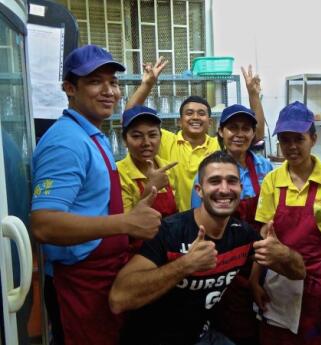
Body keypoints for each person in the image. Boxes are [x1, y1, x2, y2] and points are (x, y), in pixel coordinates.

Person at [31, 44, 162, 345]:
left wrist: (146, 196)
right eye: (94, 81)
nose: (109, 91)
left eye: (113, 82)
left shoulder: (92, 134)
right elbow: (44, 224)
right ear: (69, 88)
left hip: (105, 276)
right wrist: (126, 223)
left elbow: (94, 208)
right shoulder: (65, 142)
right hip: (80, 282)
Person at [109, 151, 305, 345]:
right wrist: (185, 265)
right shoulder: (170, 231)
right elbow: (118, 299)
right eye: (214, 181)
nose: (224, 189)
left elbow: (298, 273)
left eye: (232, 181)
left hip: (203, 336)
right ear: (199, 190)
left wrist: (285, 254)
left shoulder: (241, 234)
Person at [251, 101, 321, 345]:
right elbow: (264, 236)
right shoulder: (272, 181)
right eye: (285, 140)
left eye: (299, 139)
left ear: (313, 139)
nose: (292, 146)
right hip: (281, 284)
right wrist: (255, 281)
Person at [126, 61, 265, 211]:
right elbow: (130, 119)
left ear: (210, 122)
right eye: (189, 113)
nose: (195, 117)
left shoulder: (218, 145)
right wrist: (147, 85)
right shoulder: (165, 140)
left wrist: (253, 95)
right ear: (180, 121)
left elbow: (256, 135)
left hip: (209, 218)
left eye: (201, 113)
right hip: (176, 221)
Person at [190, 104, 272, 344]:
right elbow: (199, 222)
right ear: (221, 132)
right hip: (224, 264)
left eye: (246, 128)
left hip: (258, 260)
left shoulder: (264, 167)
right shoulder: (208, 170)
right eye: (232, 128)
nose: (239, 134)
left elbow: (270, 217)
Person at [117, 105, 178, 217]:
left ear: (161, 137)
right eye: (137, 136)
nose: (146, 142)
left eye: (152, 135)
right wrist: (151, 189)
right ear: (125, 140)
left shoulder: (168, 168)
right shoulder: (118, 173)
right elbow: (125, 224)